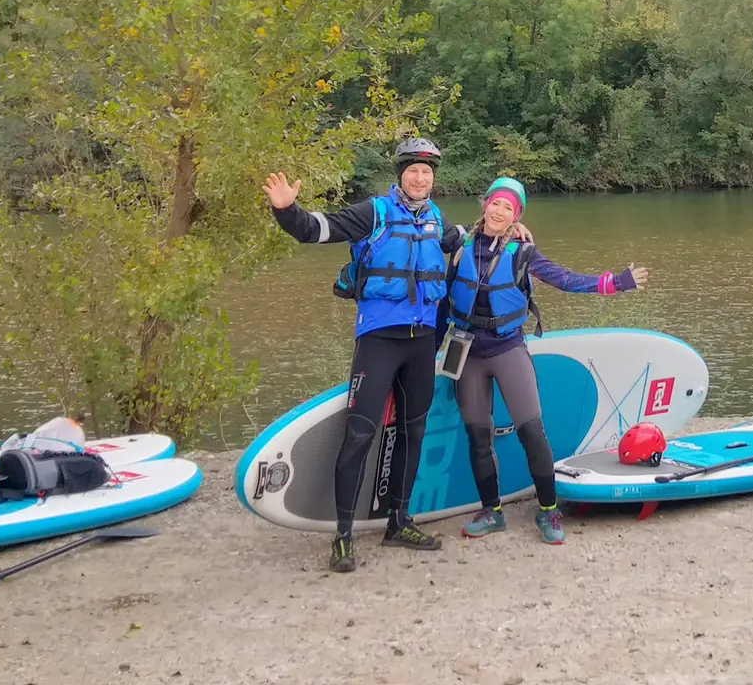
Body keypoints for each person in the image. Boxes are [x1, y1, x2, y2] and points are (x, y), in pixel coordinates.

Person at [264, 137, 462, 573]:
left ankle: (399, 522)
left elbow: (470, 237)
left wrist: (511, 228)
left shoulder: (437, 218)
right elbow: (316, 229)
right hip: (379, 341)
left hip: (422, 342)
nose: (420, 178)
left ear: (433, 179)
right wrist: (287, 211)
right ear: (401, 175)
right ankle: (343, 536)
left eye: (427, 172)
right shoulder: (373, 212)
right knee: (359, 434)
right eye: (413, 170)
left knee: (413, 431)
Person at [450, 177, 649, 546]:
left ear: (516, 216)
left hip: (507, 349)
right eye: (495, 203)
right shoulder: (458, 243)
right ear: (485, 204)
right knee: (478, 435)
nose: (499, 211)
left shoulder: (523, 252)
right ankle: (491, 511)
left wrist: (614, 283)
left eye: (508, 208)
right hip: (469, 353)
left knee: (531, 430)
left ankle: (548, 509)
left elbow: (565, 279)